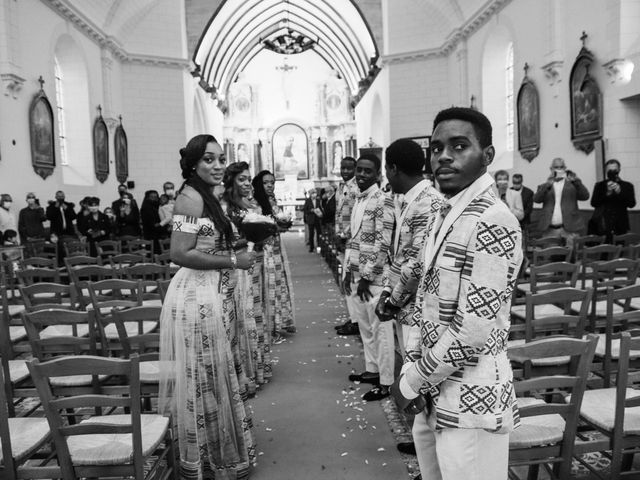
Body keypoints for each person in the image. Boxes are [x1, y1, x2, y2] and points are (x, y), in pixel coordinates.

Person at [396, 107, 523, 480]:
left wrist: (412, 380)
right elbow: (424, 300)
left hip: (471, 401)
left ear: (487, 155)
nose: (443, 157)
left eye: (459, 146)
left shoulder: (494, 220)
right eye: (436, 148)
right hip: (433, 387)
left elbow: (472, 331)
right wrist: (412, 367)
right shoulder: (446, 212)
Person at [158, 134, 256, 479]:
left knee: (214, 375)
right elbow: (180, 253)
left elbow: (207, 242)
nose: (217, 166)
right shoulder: (188, 198)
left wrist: (238, 245)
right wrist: (234, 259)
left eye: (220, 159)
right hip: (197, 297)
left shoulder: (204, 195)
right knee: (204, 377)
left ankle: (219, 450)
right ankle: (207, 457)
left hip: (213, 293)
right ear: (193, 164)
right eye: (209, 160)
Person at [374, 138, 444, 456]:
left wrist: (393, 300)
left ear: (392, 168)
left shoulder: (427, 202)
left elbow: (417, 264)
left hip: (421, 311)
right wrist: (389, 292)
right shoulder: (410, 199)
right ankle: (422, 444)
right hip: (407, 305)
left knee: (421, 380)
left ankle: (431, 452)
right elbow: (400, 257)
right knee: (412, 377)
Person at [343, 153, 393, 401]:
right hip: (356, 273)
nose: (361, 175)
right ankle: (372, 370)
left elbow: (383, 244)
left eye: (367, 171)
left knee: (380, 331)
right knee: (365, 327)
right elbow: (355, 239)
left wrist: (365, 276)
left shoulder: (383, 200)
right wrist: (347, 270)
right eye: (359, 170)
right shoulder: (358, 199)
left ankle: (386, 382)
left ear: (378, 174)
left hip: (375, 278)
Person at [222, 161, 270, 390]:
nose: (247, 183)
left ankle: (257, 366)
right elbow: (224, 244)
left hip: (254, 264)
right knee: (243, 316)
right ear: (230, 181)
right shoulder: (224, 207)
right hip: (236, 267)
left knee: (255, 313)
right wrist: (252, 237)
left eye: (248, 179)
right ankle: (244, 373)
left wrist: (265, 230)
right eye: (241, 179)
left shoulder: (248, 203)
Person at [252, 170, 296, 337]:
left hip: (276, 247)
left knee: (279, 280)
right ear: (259, 184)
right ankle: (270, 323)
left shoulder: (272, 200)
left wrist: (283, 224)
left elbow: (276, 220)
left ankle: (281, 320)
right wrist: (275, 227)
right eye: (266, 182)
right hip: (264, 249)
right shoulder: (256, 202)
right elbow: (257, 226)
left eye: (272, 182)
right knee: (268, 282)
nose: (270, 185)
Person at [533, 157, 589, 249]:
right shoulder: (544, 185)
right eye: (556, 167)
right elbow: (536, 199)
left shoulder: (573, 184)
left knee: (571, 258)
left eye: (561, 167)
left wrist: (576, 181)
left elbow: (585, 196)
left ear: (565, 168)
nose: (559, 169)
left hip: (570, 228)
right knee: (550, 258)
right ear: (551, 169)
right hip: (550, 229)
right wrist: (548, 184)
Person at [335, 156, 359, 335]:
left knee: (350, 281)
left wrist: (344, 235)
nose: (345, 171)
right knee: (346, 280)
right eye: (343, 168)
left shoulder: (357, 187)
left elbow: (357, 216)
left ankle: (356, 321)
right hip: (343, 239)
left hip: (352, 240)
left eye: (349, 168)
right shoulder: (341, 186)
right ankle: (353, 318)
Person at [589, 159, 636, 242]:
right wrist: (607, 193)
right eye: (610, 170)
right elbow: (594, 203)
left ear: (619, 170)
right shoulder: (600, 185)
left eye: (615, 170)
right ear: (606, 171)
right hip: (603, 225)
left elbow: (631, 204)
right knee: (603, 251)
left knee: (619, 251)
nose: (612, 172)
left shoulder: (627, 186)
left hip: (620, 225)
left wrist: (619, 192)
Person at [511, 173, 534, 246]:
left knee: (523, 243)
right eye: (514, 183)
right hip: (511, 221)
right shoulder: (509, 191)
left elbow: (529, 209)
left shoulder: (529, 192)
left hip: (524, 223)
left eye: (518, 183)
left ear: (522, 182)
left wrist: (520, 217)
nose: (516, 184)